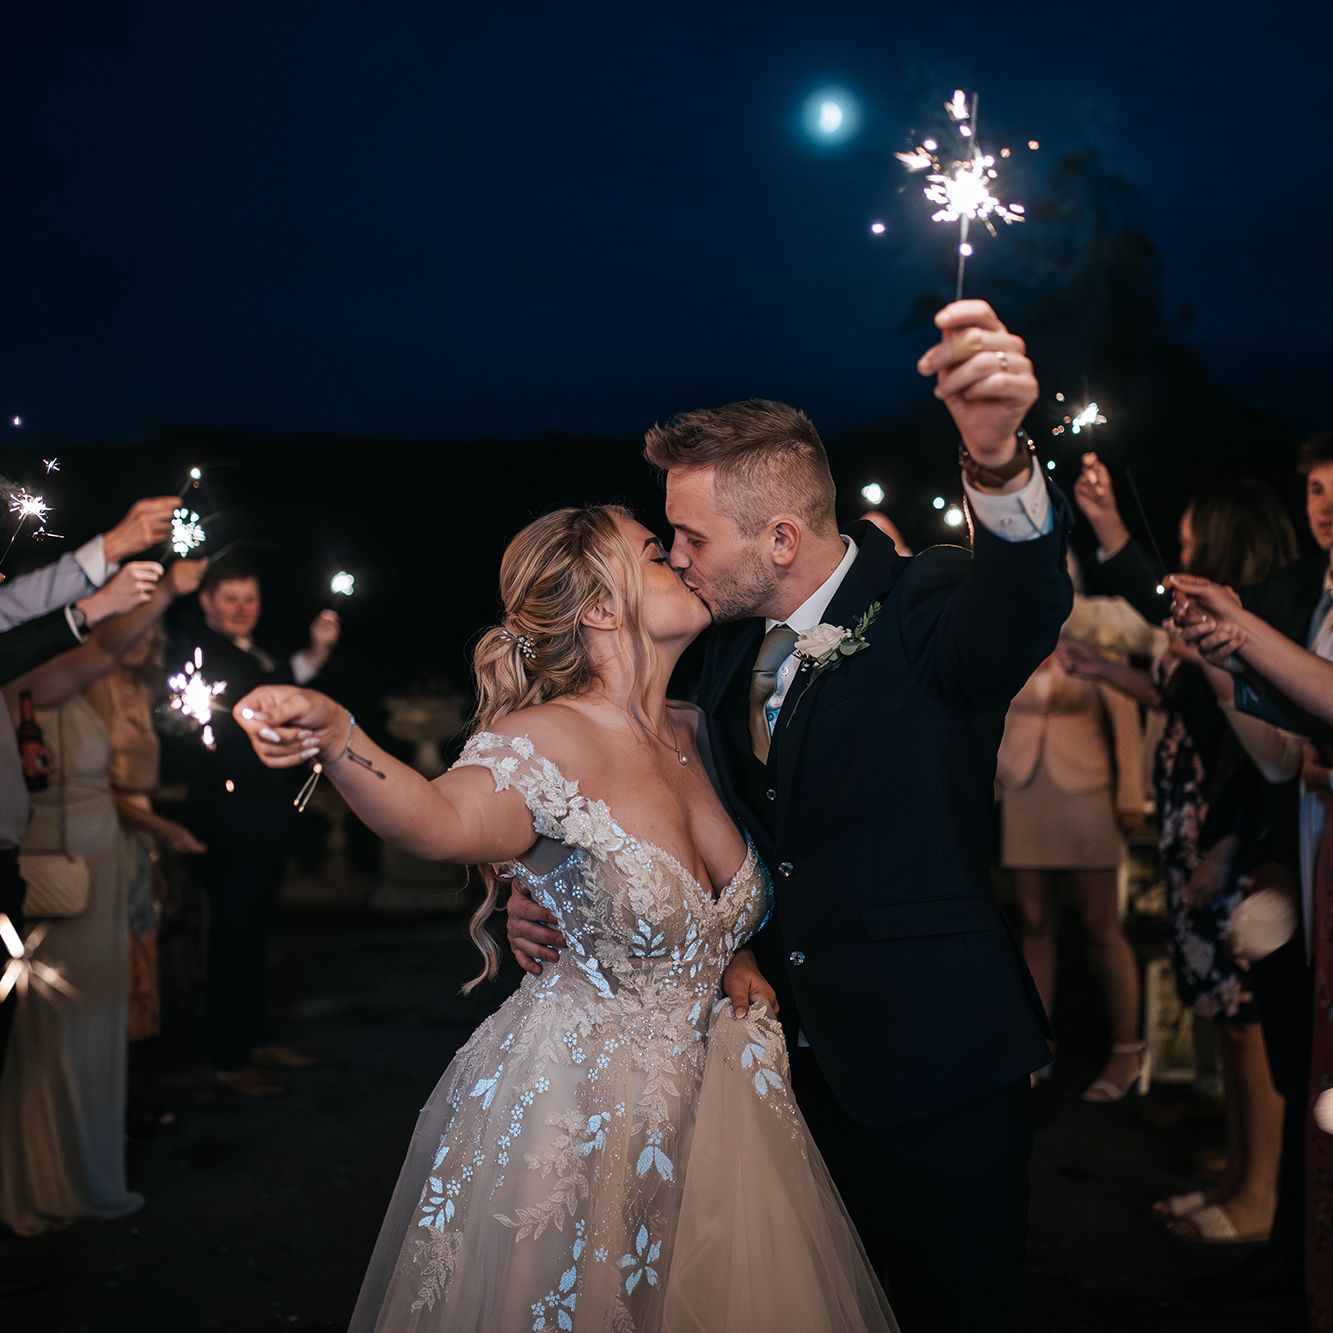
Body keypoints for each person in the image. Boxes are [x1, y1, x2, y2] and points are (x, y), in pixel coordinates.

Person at [506, 301, 1073, 1332]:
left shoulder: (924, 603)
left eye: (690, 536)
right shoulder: (718, 646)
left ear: (778, 536)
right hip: (760, 1076)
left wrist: (997, 464)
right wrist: (543, 881)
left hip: (931, 1066)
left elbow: (1023, 601)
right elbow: (629, 773)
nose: (677, 556)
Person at [232, 504, 898, 1332]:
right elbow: (436, 820)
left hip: (724, 1113)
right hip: (580, 1113)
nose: (680, 561)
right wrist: (340, 737)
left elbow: (712, 899)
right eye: (654, 552)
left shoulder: (698, 727)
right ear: (601, 608)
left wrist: (734, 953)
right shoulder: (540, 741)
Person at [1068, 465, 1295, 1246]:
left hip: (1225, 831)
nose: (1184, 546)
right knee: (1222, 1013)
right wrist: (1102, 668)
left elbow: (1254, 755)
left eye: (1195, 537)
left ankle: (1259, 1192)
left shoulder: (1251, 628)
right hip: (1190, 823)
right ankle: (1236, 1171)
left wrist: (1222, 846)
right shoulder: (1203, 624)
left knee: (1244, 1012)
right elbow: (1173, 692)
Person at [0, 557, 203, 1235]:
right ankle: (46, 1182)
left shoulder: (82, 678)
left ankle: (85, 1167)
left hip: (100, 862)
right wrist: (166, 591)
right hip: (60, 868)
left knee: (96, 1019)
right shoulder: (25, 678)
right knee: (55, 1029)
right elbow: (107, 644)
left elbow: (112, 651)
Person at [1173, 572, 1333, 1330]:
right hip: (1311, 860)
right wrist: (1234, 653)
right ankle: (1297, 1256)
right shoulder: (1317, 601)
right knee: (1309, 1078)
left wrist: (1239, 638)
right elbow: (1295, 737)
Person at [175, 556, 340, 1097]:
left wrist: (316, 653)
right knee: (233, 933)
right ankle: (228, 1056)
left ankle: (254, 1037)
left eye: (250, 598)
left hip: (265, 815)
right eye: (230, 599)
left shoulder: (254, 650)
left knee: (257, 929)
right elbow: (250, 709)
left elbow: (279, 686)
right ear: (206, 601)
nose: (242, 608)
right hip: (230, 819)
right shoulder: (203, 654)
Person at [997, 578, 1148, 1101]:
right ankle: (1038, 1049)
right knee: (1034, 923)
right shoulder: (1009, 633)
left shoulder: (1093, 634)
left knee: (1102, 924)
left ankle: (1127, 1050)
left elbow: (1125, 723)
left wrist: (1132, 794)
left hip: (1088, 792)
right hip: (1024, 789)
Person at [87, 622, 208, 1040]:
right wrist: (164, 829)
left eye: (151, 630)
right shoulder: (96, 686)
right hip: (111, 830)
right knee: (118, 948)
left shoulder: (145, 687)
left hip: (143, 830)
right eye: (134, 628)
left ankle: (133, 1058)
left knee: (145, 944)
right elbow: (95, 786)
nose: (144, 638)